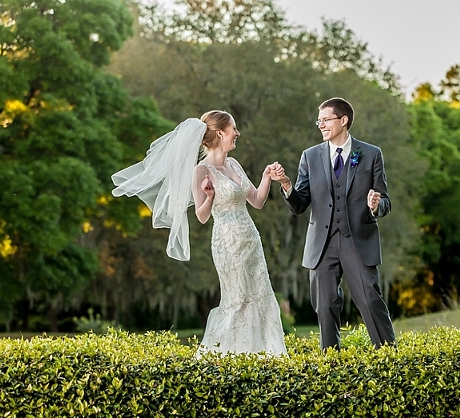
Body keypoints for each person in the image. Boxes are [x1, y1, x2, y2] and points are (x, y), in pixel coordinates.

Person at [111, 110, 287, 357]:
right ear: (220, 133)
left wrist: (267, 177)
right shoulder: (201, 171)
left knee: (260, 294)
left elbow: (257, 201)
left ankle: (263, 355)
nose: (237, 133)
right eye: (233, 129)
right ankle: (228, 356)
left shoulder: (234, 164)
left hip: (251, 241)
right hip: (228, 242)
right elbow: (202, 216)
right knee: (238, 299)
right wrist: (211, 196)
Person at [270, 97, 396, 350]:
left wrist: (374, 205)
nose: (321, 125)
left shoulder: (370, 154)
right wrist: (286, 185)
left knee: (370, 299)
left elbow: (386, 203)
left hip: (357, 240)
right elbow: (299, 205)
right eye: (320, 121)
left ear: (344, 120)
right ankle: (331, 361)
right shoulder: (310, 157)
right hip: (322, 244)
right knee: (325, 304)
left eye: (326, 120)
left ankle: (388, 357)